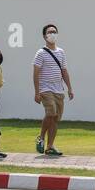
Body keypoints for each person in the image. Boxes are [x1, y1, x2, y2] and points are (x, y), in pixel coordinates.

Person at [33, 23, 73, 156]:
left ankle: (50, 146)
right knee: (51, 112)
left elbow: (64, 71)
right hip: (45, 89)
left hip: (59, 90)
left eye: (54, 32)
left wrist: (70, 88)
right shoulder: (40, 53)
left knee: (55, 118)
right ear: (44, 36)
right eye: (50, 32)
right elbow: (36, 73)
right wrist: (37, 92)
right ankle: (41, 137)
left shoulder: (61, 52)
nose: (52, 34)